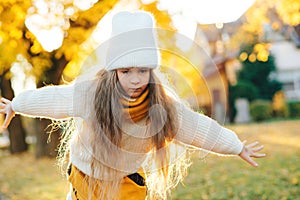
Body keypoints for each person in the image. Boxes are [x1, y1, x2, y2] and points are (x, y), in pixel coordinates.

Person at [0, 11, 266, 200]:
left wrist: (236, 146)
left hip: (125, 184)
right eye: (126, 71)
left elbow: (197, 128)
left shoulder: (163, 109)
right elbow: (56, 99)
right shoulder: (92, 94)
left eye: (143, 70)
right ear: (114, 71)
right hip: (83, 178)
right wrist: (17, 104)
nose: (136, 79)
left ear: (152, 71)